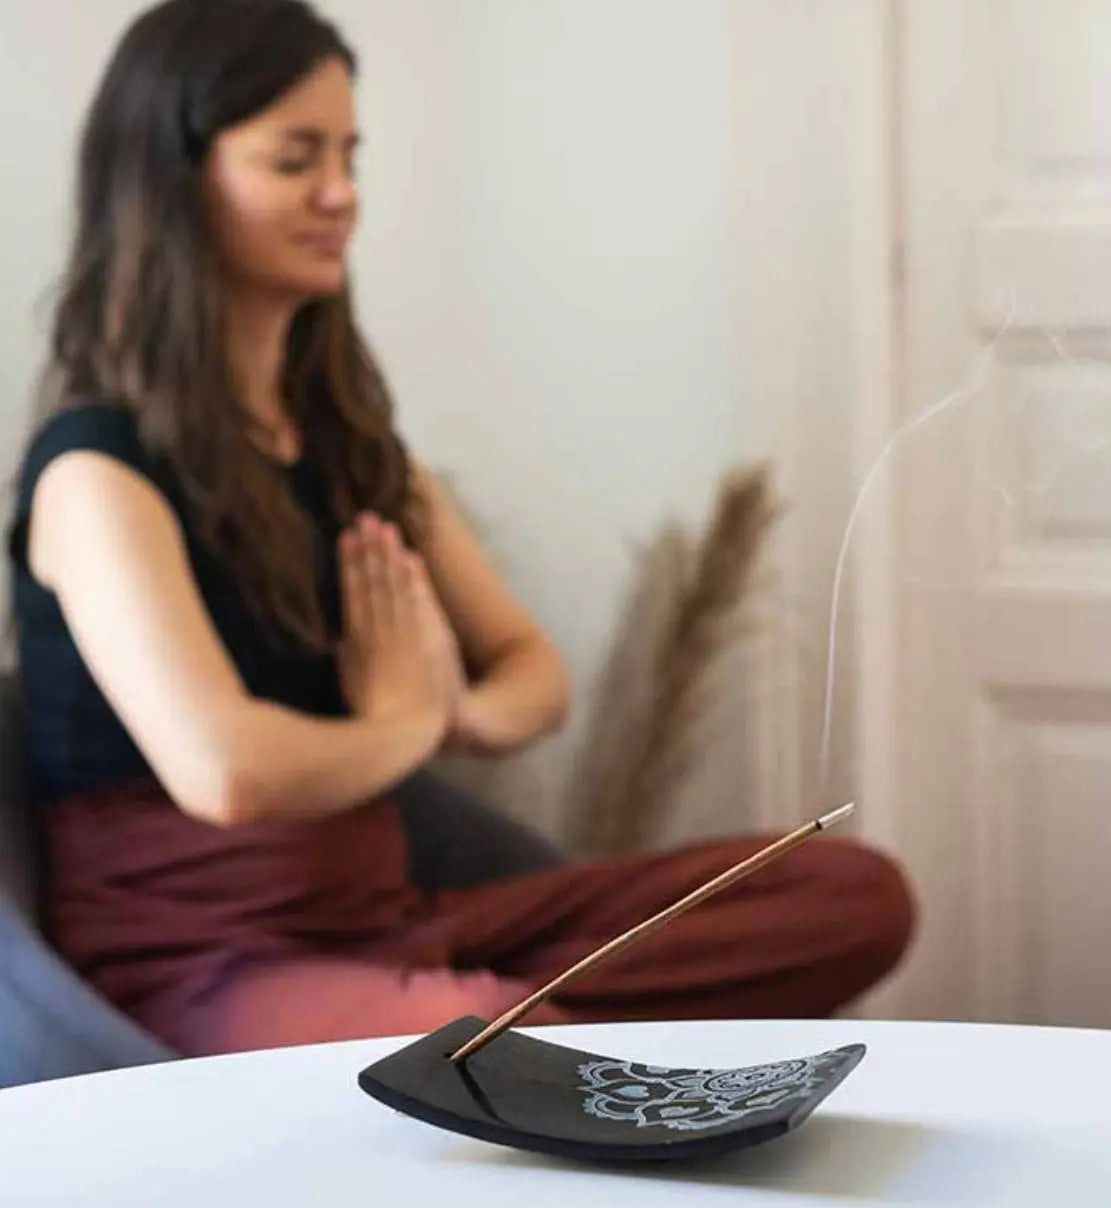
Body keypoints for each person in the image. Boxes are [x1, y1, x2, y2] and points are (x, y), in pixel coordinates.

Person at [7, 0, 914, 1057]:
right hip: (208, 957)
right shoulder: (93, 472)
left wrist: (448, 712)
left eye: (349, 154)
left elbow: (534, 678)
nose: (341, 194)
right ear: (171, 177)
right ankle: (483, 1021)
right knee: (532, 1060)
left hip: (393, 917)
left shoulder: (350, 448)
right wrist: (398, 720)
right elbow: (226, 771)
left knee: (846, 892)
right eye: (296, 158)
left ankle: (468, 1009)